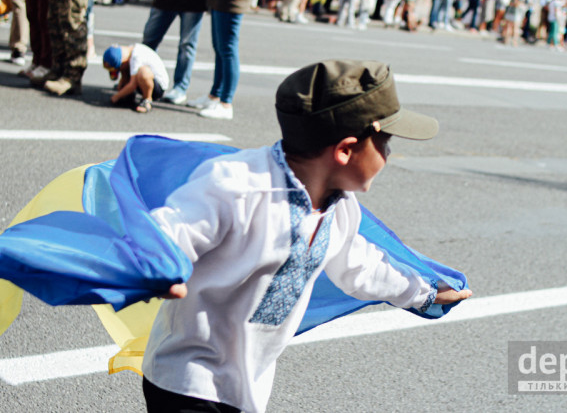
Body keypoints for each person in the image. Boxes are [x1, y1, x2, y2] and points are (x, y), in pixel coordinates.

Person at [142, 59, 473, 413]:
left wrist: (425, 291)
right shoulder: (237, 186)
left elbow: (361, 267)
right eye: (384, 142)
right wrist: (155, 268)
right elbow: (167, 232)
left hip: (247, 386)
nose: (390, 154)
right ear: (345, 150)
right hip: (187, 380)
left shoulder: (339, 208)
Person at [102, 43, 169, 113]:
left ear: (122, 62)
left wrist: (116, 97)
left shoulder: (136, 57)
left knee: (143, 72)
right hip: (142, 82)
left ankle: (147, 100)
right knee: (127, 73)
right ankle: (129, 96)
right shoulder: (129, 51)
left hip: (157, 87)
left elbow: (132, 85)